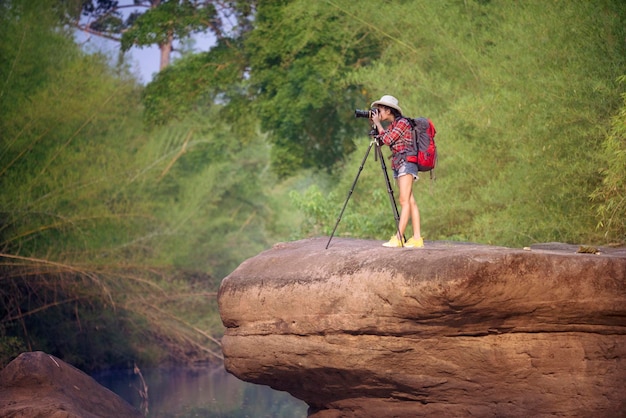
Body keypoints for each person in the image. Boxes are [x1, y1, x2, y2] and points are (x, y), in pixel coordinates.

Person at [370, 94, 424, 248]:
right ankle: (417, 238)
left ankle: (399, 237)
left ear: (388, 110)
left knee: (403, 200)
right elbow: (382, 141)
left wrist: (378, 125)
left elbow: (387, 139)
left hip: (406, 163)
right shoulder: (393, 125)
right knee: (410, 200)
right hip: (400, 163)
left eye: (380, 109)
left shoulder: (402, 123)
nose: (378, 112)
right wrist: (376, 127)